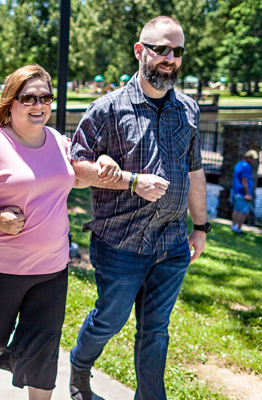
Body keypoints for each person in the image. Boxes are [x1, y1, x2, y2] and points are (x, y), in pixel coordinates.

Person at [0, 64, 117, 400]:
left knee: (44, 350)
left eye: (45, 97)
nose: (39, 105)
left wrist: (105, 164)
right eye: (29, 97)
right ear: (11, 102)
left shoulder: (60, 142)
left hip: (51, 266)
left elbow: (77, 174)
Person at [68, 16, 209, 400]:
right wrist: (130, 181)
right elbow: (77, 172)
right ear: (140, 50)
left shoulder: (189, 110)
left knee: (156, 330)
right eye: (161, 49)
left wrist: (201, 227)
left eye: (177, 51)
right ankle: (80, 367)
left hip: (172, 244)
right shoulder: (107, 109)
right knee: (109, 321)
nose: (169, 58)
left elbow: (194, 172)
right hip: (120, 244)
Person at [231, 150, 259, 234]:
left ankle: (233, 226)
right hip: (242, 193)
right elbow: (244, 180)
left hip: (236, 191)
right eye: (253, 159)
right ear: (248, 157)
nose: (254, 161)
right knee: (244, 212)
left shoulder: (239, 164)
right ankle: (238, 229)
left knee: (236, 209)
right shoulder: (246, 166)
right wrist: (247, 194)